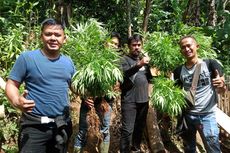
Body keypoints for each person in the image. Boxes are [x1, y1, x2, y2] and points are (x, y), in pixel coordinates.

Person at [5, 18, 75, 153]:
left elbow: (76, 88)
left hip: (62, 126)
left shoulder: (69, 62)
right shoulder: (27, 58)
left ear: (64, 39)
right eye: (48, 34)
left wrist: (91, 93)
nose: (53, 38)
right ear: (41, 37)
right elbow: (11, 84)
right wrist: (16, 101)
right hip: (34, 126)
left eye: (58, 35)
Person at [173, 35, 226, 153]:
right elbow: (178, 95)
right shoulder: (178, 71)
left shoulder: (211, 64)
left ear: (197, 46)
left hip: (207, 116)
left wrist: (221, 85)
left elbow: (222, 89)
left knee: (213, 149)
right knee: (189, 148)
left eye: (189, 45)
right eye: (183, 47)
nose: (186, 49)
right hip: (188, 116)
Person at [74, 32, 121, 153]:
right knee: (83, 131)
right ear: (105, 43)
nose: (114, 46)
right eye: (112, 43)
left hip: (105, 102)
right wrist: (85, 96)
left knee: (104, 131)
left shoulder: (117, 63)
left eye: (116, 44)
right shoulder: (94, 57)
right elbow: (79, 80)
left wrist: (114, 86)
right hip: (88, 100)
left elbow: (117, 84)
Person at [119, 34, 152, 153]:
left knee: (139, 128)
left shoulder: (145, 61)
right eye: (134, 45)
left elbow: (150, 79)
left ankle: (136, 149)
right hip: (129, 101)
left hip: (144, 101)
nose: (137, 47)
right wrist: (139, 64)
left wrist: (149, 94)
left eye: (139, 45)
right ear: (129, 46)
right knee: (128, 130)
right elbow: (125, 74)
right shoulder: (123, 60)